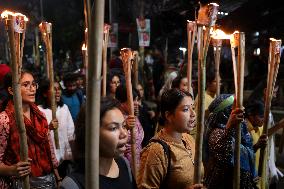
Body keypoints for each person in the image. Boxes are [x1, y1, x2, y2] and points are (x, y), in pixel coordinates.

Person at [0, 70, 60, 188]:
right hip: (19, 183)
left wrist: (57, 176)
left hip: (47, 179)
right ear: (11, 90)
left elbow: (49, 149)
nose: (32, 89)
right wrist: (11, 170)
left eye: (33, 84)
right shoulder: (4, 120)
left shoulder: (40, 116)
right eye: (26, 85)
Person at [60, 97, 137, 189]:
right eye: (113, 128)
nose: (124, 133)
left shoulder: (124, 164)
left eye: (124, 126)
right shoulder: (73, 185)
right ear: (91, 134)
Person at [138, 88, 204, 189]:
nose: (193, 114)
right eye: (186, 109)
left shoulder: (188, 139)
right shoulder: (156, 151)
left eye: (193, 108)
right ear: (168, 115)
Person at [203, 94, 257, 189]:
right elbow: (225, 155)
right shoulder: (217, 132)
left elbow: (245, 150)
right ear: (226, 112)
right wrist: (229, 127)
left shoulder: (239, 130)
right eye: (236, 107)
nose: (243, 108)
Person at [37, 79, 75, 178]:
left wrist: (71, 153)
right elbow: (38, 135)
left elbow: (71, 132)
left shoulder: (64, 108)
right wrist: (48, 128)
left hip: (64, 157)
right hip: (48, 158)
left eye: (59, 89)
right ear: (45, 94)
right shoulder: (39, 111)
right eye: (54, 89)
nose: (58, 92)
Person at [115, 85, 144, 170]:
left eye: (137, 99)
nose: (136, 103)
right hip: (124, 166)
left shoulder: (132, 116)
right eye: (133, 100)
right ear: (122, 102)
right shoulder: (117, 118)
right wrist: (125, 128)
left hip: (138, 164)